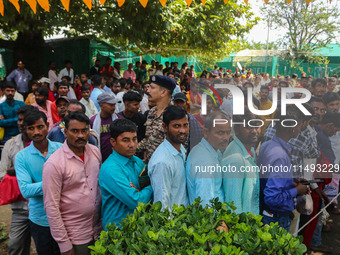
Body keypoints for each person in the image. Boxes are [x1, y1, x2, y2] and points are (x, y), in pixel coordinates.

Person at [43, 111, 102, 255]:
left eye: (84, 130)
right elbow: (51, 206)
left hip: (99, 231)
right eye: (75, 131)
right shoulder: (54, 164)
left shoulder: (94, 152)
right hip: (75, 237)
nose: (80, 135)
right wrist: (64, 244)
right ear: (65, 132)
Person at [15, 110, 62, 255]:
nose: (36, 132)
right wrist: (56, 183)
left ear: (47, 126)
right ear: (25, 130)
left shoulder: (61, 149)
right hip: (40, 219)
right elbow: (26, 190)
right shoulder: (21, 157)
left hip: (65, 215)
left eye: (40, 127)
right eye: (31, 128)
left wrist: (40, 185)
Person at [258, 105, 309, 231]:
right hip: (276, 219)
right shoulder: (280, 156)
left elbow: (268, 179)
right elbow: (272, 198)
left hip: (267, 214)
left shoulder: (266, 145)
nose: (300, 129)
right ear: (292, 128)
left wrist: (290, 182)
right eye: (299, 126)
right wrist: (297, 191)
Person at [99, 119, 152, 229]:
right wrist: (151, 188)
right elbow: (137, 202)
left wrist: (141, 191)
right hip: (117, 231)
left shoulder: (136, 161)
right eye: (126, 140)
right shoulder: (111, 169)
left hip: (138, 227)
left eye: (134, 139)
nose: (132, 145)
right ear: (113, 142)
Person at [0, 105, 35, 255]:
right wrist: (25, 175)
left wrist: (16, 172)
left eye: (24, 120)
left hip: (41, 206)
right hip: (20, 208)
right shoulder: (10, 144)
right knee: (15, 245)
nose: (20, 123)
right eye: (19, 120)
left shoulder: (42, 144)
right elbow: (2, 174)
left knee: (45, 246)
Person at [186, 111, 231, 206]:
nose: (226, 137)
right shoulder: (204, 161)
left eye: (228, 132)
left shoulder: (211, 151)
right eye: (220, 133)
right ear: (206, 132)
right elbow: (205, 204)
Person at [148, 105, 189, 210]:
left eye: (185, 125)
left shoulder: (181, 149)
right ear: (165, 127)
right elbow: (161, 206)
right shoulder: (162, 162)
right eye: (176, 126)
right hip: (174, 223)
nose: (182, 130)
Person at [222, 108, 260, 215]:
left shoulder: (250, 150)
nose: (254, 131)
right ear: (236, 129)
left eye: (256, 126)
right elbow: (233, 205)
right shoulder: (235, 159)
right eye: (248, 127)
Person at [136, 75, 176, 163]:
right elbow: (149, 139)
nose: (148, 90)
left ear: (163, 92)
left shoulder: (175, 115)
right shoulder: (152, 112)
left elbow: (179, 148)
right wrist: (131, 149)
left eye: (152, 88)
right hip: (151, 165)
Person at [90, 92, 118, 162]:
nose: (113, 107)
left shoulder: (119, 119)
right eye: (111, 105)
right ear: (101, 105)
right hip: (99, 157)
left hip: (116, 156)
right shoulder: (93, 121)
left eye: (114, 105)